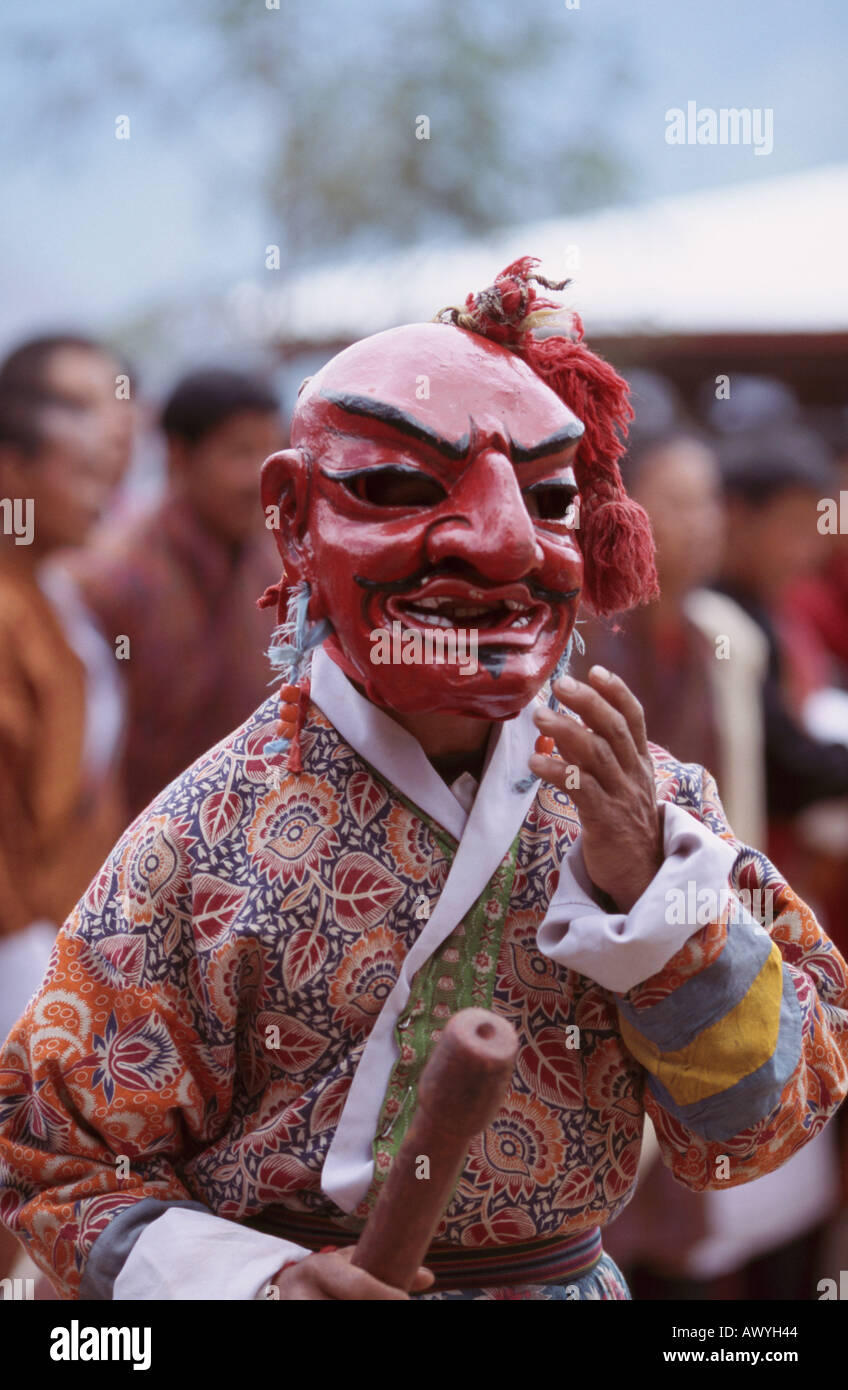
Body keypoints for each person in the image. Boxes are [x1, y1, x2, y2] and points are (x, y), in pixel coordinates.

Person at [1, 259, 846, 1302]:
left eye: (543, 497)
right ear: (294, 516)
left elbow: (763, 1122)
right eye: (399, 489)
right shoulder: (199, 838)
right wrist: (256, 1280)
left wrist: (653, 902)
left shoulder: (650, 811)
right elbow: (58, 1160)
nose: (496, 544)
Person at [69, 368, 285, 817]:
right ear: (178, 457)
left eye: (271, 449)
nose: (262, 476)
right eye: (241, 452)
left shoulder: (279, 569)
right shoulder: (114, 584)